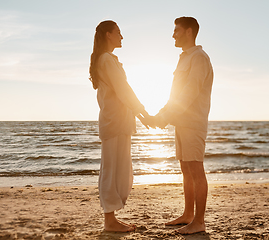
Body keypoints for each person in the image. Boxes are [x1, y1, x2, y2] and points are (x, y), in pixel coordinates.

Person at [89, 20, 152, 232]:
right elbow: (123, 89)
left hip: (120, 123)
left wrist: (139, 113)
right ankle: (109, 221)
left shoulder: (109, 59)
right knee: (111, 171)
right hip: (114, 122)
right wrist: (143, 113)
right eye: (118, 33)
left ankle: (112, 218)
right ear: (108, 35)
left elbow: (123, 90)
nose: (121, 37)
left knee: (119, 170)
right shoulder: (106, 59)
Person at [154, 16, 214, 234]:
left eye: (176, 30)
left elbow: (190, 92)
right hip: (181, 122)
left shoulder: (199, 58)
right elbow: (176, 94)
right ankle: (188, 214)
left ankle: (199, 222)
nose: (173, 34)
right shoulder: (184, 58)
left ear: (189, 31)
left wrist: (166, 117)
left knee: (196, 169)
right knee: (186, 169)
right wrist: (163, 113)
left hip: (193, 122)